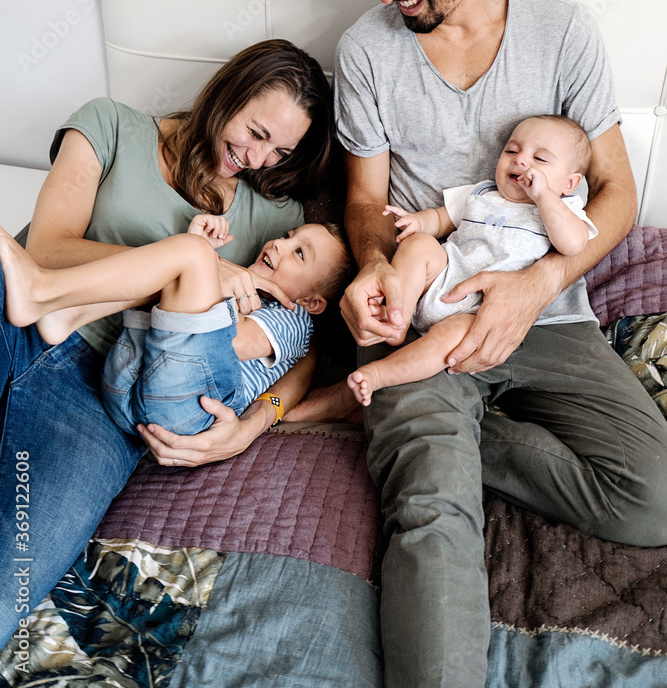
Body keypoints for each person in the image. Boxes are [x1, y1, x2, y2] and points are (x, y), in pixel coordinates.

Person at [326, 0, 667, 688]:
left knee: (652, 495)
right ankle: (432, 429)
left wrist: (536, 283)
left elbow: (617, 195)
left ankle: (476, 431)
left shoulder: (561, 30)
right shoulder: (367, 49)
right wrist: (373, 269)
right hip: (425, 313)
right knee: (431, 511)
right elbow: (366, 204)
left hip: (547, 315)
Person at [0, 38, 335, 647]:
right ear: (227, 92)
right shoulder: (110, 125)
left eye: (279, 150)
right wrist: (197, 267)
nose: (256, 158)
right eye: (255, 131)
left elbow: (300, 348)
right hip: (17, 312)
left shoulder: (276, 221)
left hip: (100, 397)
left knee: (10, 584)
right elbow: (45, 251)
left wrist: (255, 424)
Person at [0, 214, 350, 435]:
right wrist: (192, 265)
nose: (280, 244)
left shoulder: (294, 320)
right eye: (289, 236)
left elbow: (234, 343)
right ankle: (68, 313)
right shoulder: (247, 284)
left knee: (191, 255)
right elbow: (180, 324)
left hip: (192, 407)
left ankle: (44, 291)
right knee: (177, 262)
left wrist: (200, 263)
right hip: (129, 384)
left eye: (299, 253)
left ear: (312, 302)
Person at [348, 115, 597, 405]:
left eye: (540, 158)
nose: (521, 161)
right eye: (512, 151)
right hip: (443, 278)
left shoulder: (565, 210)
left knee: (450, 341)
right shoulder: (481, 192)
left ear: (570, 182)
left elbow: (573, 244)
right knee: (420, 246)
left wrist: (543, 195)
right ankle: (396, 317)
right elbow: (443, 218)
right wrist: (418, 222)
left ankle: (379, 374)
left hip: (479, 311)